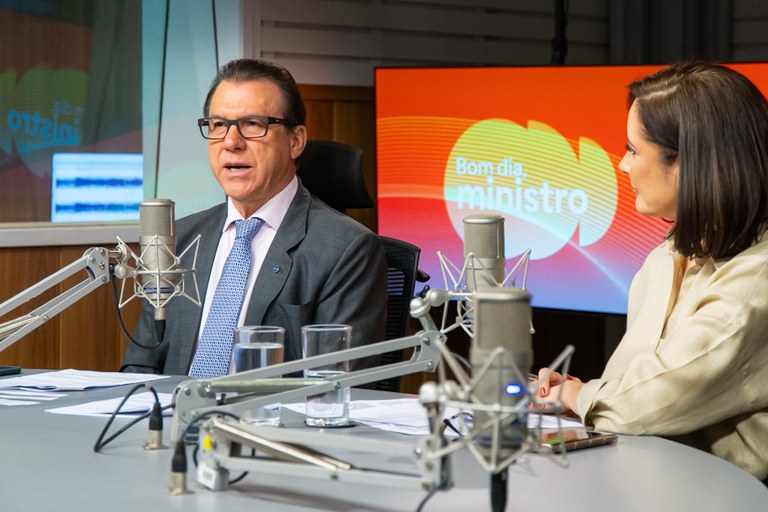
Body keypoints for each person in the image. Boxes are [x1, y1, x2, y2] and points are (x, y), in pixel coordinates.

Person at [538, 62, 768, 480]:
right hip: (651, 475)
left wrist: (578, 395)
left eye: (632, 150)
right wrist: (574, 396)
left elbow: (652, 400)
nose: (623, 166)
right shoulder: (667, 257)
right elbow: (630, 390)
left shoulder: (757, 281)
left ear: (687, 163)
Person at [121, 59, 387, 375]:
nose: (231, 143)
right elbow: (139, 366)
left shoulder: (347, 249)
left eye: (252, 124)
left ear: (296, 141)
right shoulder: (179, 240)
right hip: (174, 406)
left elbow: (335, 383)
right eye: (218, 125)